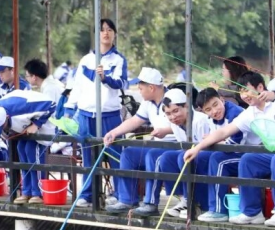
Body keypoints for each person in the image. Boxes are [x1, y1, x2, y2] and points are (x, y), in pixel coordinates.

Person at [183, 71, 275, 227]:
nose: (244, 96)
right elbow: (223, 131)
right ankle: (252, 212)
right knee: (248, 159)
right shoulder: (250, 113)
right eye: (241, 92)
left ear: (260, 87)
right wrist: (197, 148)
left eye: (247, 90)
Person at [64, 18, 128, 207]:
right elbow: (77, 86)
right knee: (88, 156)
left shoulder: (118, 60)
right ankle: (87, 194)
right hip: (86, 114)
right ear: (97, 34)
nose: (106, 33)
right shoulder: (86, 60)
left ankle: (119, 194)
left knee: (116, 155)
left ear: (114, 34)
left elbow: (122, 83)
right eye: (102, 30)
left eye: (109, 29)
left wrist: (105, 78)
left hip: (110, 114)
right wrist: (69, 109)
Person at [102, 67, 176, 213]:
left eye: (141, 88)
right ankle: (127, 200)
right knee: (128, 154)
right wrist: (114, 132)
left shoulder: (174, 98)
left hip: (175, 146)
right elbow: (135, 120)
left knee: (152, 155)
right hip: (158, 145)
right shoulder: (148, 102)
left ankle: (150, 203)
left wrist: (166, 131)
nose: (139, 91)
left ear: (151, 88)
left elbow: (186, 124)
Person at [131, 88, 211, 217]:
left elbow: (207, 146)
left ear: (186, 106)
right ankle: (184, 198)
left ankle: (197, 202)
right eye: (168, 113)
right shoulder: (175, 124)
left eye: (176, 111)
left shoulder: (200, 121)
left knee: (182, 157)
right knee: (167, 157)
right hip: (192, 155)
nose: (173, 117)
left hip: (208, 156)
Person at [0, 90, 56, 205]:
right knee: (21, 149)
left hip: (42, 123)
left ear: (6, 118)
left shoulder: (22, 108)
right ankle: (26, 191)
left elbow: (52, 104)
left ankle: (38, 192)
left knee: (31, 151)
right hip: (23, 128)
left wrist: (36, 124)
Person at [193, 87, 249, 222]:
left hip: (248, 155)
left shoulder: (234, 113)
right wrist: (215, 140)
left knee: (218, 160)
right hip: (233, 154)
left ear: (222, 100)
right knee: (199, 157)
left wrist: (214, 139)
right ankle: (202, 205)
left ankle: (218, 210)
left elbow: (235, 144)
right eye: (208, 109)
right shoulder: (211, 119)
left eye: (215, 104)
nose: (214, 111)